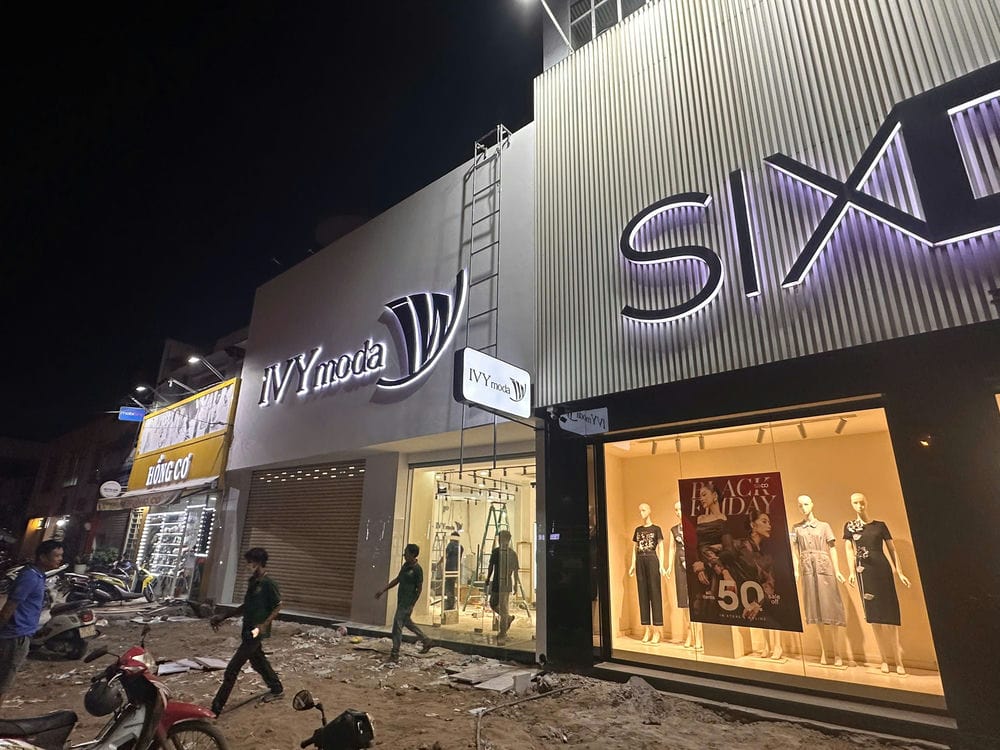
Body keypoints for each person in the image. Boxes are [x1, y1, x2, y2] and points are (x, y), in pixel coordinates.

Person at [209, 547, 284, 716]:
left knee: (232, 668)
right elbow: (246, 605)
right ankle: (277, 688)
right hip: (247, 628)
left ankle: (216, 708)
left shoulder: (268, 584)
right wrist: (224, 616)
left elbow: (278, 606)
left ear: (259, 562)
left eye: (250, 562)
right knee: (258, 661)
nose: (248, 565)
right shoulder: (253, 582)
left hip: (256, 631)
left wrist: (264, 625)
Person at [843, 491, 911, 675]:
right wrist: (851, 572)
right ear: (851, 504)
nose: (859, 506)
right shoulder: (850, 526)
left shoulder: (879, 526)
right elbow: (849, 550)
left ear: (867, 502)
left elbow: (892, 549)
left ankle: (898, 660)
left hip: (882, 570)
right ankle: (884, 660)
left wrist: (899, 571)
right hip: (865, 573)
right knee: (874, 617)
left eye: (861, 502)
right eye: (855, 503)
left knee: (890, 616)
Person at [0, 540, 64, 709]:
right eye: (56, 556)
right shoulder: (29, 577)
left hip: (22, 633)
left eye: (61, 555)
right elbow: (9, 607)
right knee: (4, 681)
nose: (60, 559)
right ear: (42, 557)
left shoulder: (39, 575)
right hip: (15, 635)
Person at [792, 494, 847, 666]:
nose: (803, 508)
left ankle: (837, 653)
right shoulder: (796, 528)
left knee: (830, 606)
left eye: (806, 504)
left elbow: (833, 548)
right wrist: (796, 570)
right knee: (815, 608)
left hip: (824, 567)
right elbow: (794, 550)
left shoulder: (824, 526)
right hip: (808, 569)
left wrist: (837, 570)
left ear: (812, 504)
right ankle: (824, 651)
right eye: (800, 505)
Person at [376, 543, 434, 661]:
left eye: (406, 553)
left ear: (413, 554)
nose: (404, 555)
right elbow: (398, 579)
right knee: (408, 623)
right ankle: (426, 640)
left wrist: (412, 604)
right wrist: (383, 590)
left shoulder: (417, 569)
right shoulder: (405, 566)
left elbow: (419, 589)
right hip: (401, 600)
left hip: (407, 603)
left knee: (397, 626)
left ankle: (395, 653)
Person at [627, 502, 666, 644]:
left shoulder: (656, 529)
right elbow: (635, 548)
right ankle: (647, 629)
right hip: (640, 560)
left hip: (652, 559)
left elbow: (661, 547)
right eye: (640, 510)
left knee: (655, 593)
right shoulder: (638, 530)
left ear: (649, 511)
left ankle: (657, 630)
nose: (641, 513)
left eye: (643, 510)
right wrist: (632, 564)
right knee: (642, 593)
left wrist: (661, 565)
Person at [484, 530, 521, 644]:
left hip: (505, 584)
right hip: (497, 583)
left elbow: (515, 571)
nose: (501, 541)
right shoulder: (496, 552)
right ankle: (507, 618)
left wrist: (515, 585)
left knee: (504, 608)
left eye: (502, 538)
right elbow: (491, 566)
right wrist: (488, 578)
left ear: (507, 540)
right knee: (493, 603)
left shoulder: (511, 554)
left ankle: (503, 632)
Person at [441, 532, 463, 611]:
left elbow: (445, 555)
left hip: (449, 569)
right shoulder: (460, 547)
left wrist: (438, 563)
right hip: (456, 569)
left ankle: (450, 605)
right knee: (452, 587)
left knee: (448, 587)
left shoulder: (451, 545)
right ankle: (452, 604)